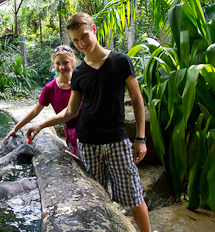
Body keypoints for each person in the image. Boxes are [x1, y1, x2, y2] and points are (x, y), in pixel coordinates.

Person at [25, 13, 151, 232]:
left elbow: (138, 100)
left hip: (117, 141)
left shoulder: (120, 61)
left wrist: (140, 138)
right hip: (88, 144)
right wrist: (40, 125)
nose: (81, 43)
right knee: (97, 198)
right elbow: (70, 112)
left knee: (134, 195)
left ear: (94, 29)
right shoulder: (80, 73)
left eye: (84, 36)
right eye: (75, 40)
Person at [4, 45, 80, 155]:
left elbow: (70, 111)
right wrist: (15, 128)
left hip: (89, 131)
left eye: (65, 62)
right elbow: (35, 111)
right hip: (71, 133)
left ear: (72, 62)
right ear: (53, 64)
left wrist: (41, 125)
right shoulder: (50, 88)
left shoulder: (80, 81)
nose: (62, 67)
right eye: (58, 63)